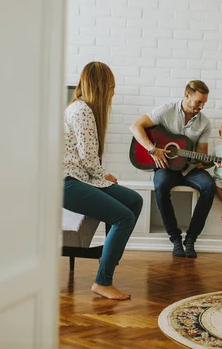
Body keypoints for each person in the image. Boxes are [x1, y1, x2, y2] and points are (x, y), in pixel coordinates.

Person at [63, 61, 143, 300]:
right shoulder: (82, 111)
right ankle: (102, 282)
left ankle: (108, 257)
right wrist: (102, 174)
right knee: (124, 216)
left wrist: (100, 175)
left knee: (134, 200)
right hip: (67, 182)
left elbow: (84, 158)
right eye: (111, 86)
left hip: (78, 177)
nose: (113, 91)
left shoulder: (80, 108)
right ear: (100, 86)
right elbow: (88, 158)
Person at [129, 80, 216, 258]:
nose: (201, 106)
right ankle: (175, 239)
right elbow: (135, 126)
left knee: (209, 186)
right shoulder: (166, 110)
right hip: (166, 167)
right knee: (160, 186)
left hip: (190, 169)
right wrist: (152, 150)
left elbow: (202, 154)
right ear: (187, 95)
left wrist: (208, 161)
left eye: (204, 102)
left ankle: (191, 239)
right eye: (199, 101)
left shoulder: (205, 123)